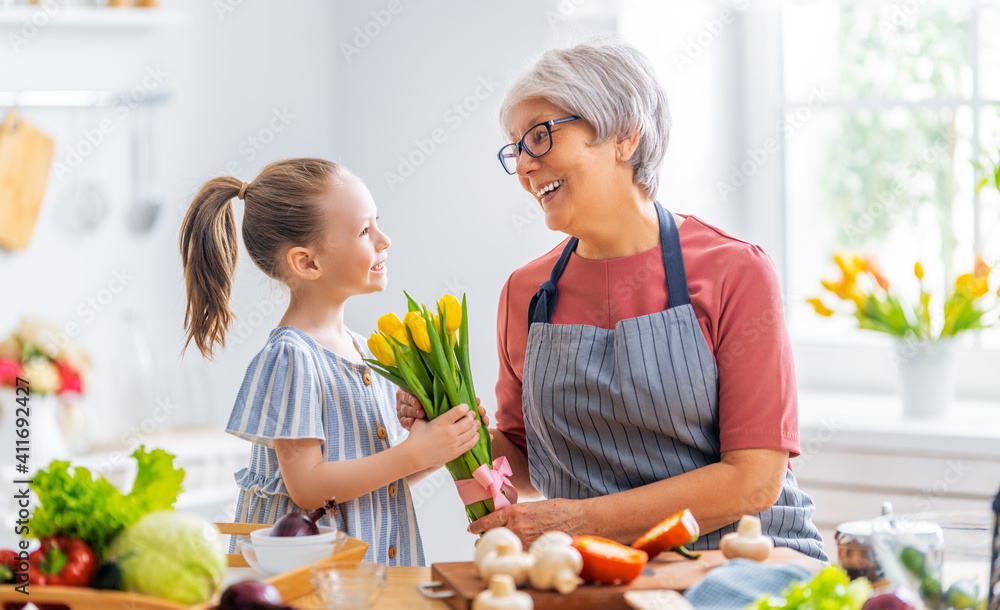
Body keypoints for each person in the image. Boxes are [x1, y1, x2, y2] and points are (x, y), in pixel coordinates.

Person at [399, 40, 826, 561]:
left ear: (624, 135)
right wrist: (449, 426)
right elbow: (522, 464)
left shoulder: (734, 270)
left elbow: (754, 481)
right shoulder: (526, 293)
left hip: (742, 558)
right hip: (598, 567)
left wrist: (578, 520)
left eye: (540, 136)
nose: (526, 167)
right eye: (516, 150)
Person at [179, 158, 483, 566]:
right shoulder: (292, 357)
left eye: (377, 222)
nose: (384, 239)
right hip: (310, 582)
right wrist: (414, 453)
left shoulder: (364, 351)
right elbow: (308, 487)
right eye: (364, 230)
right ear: (307, 263)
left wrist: (434, 449)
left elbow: (375, 480)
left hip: (368, 577)